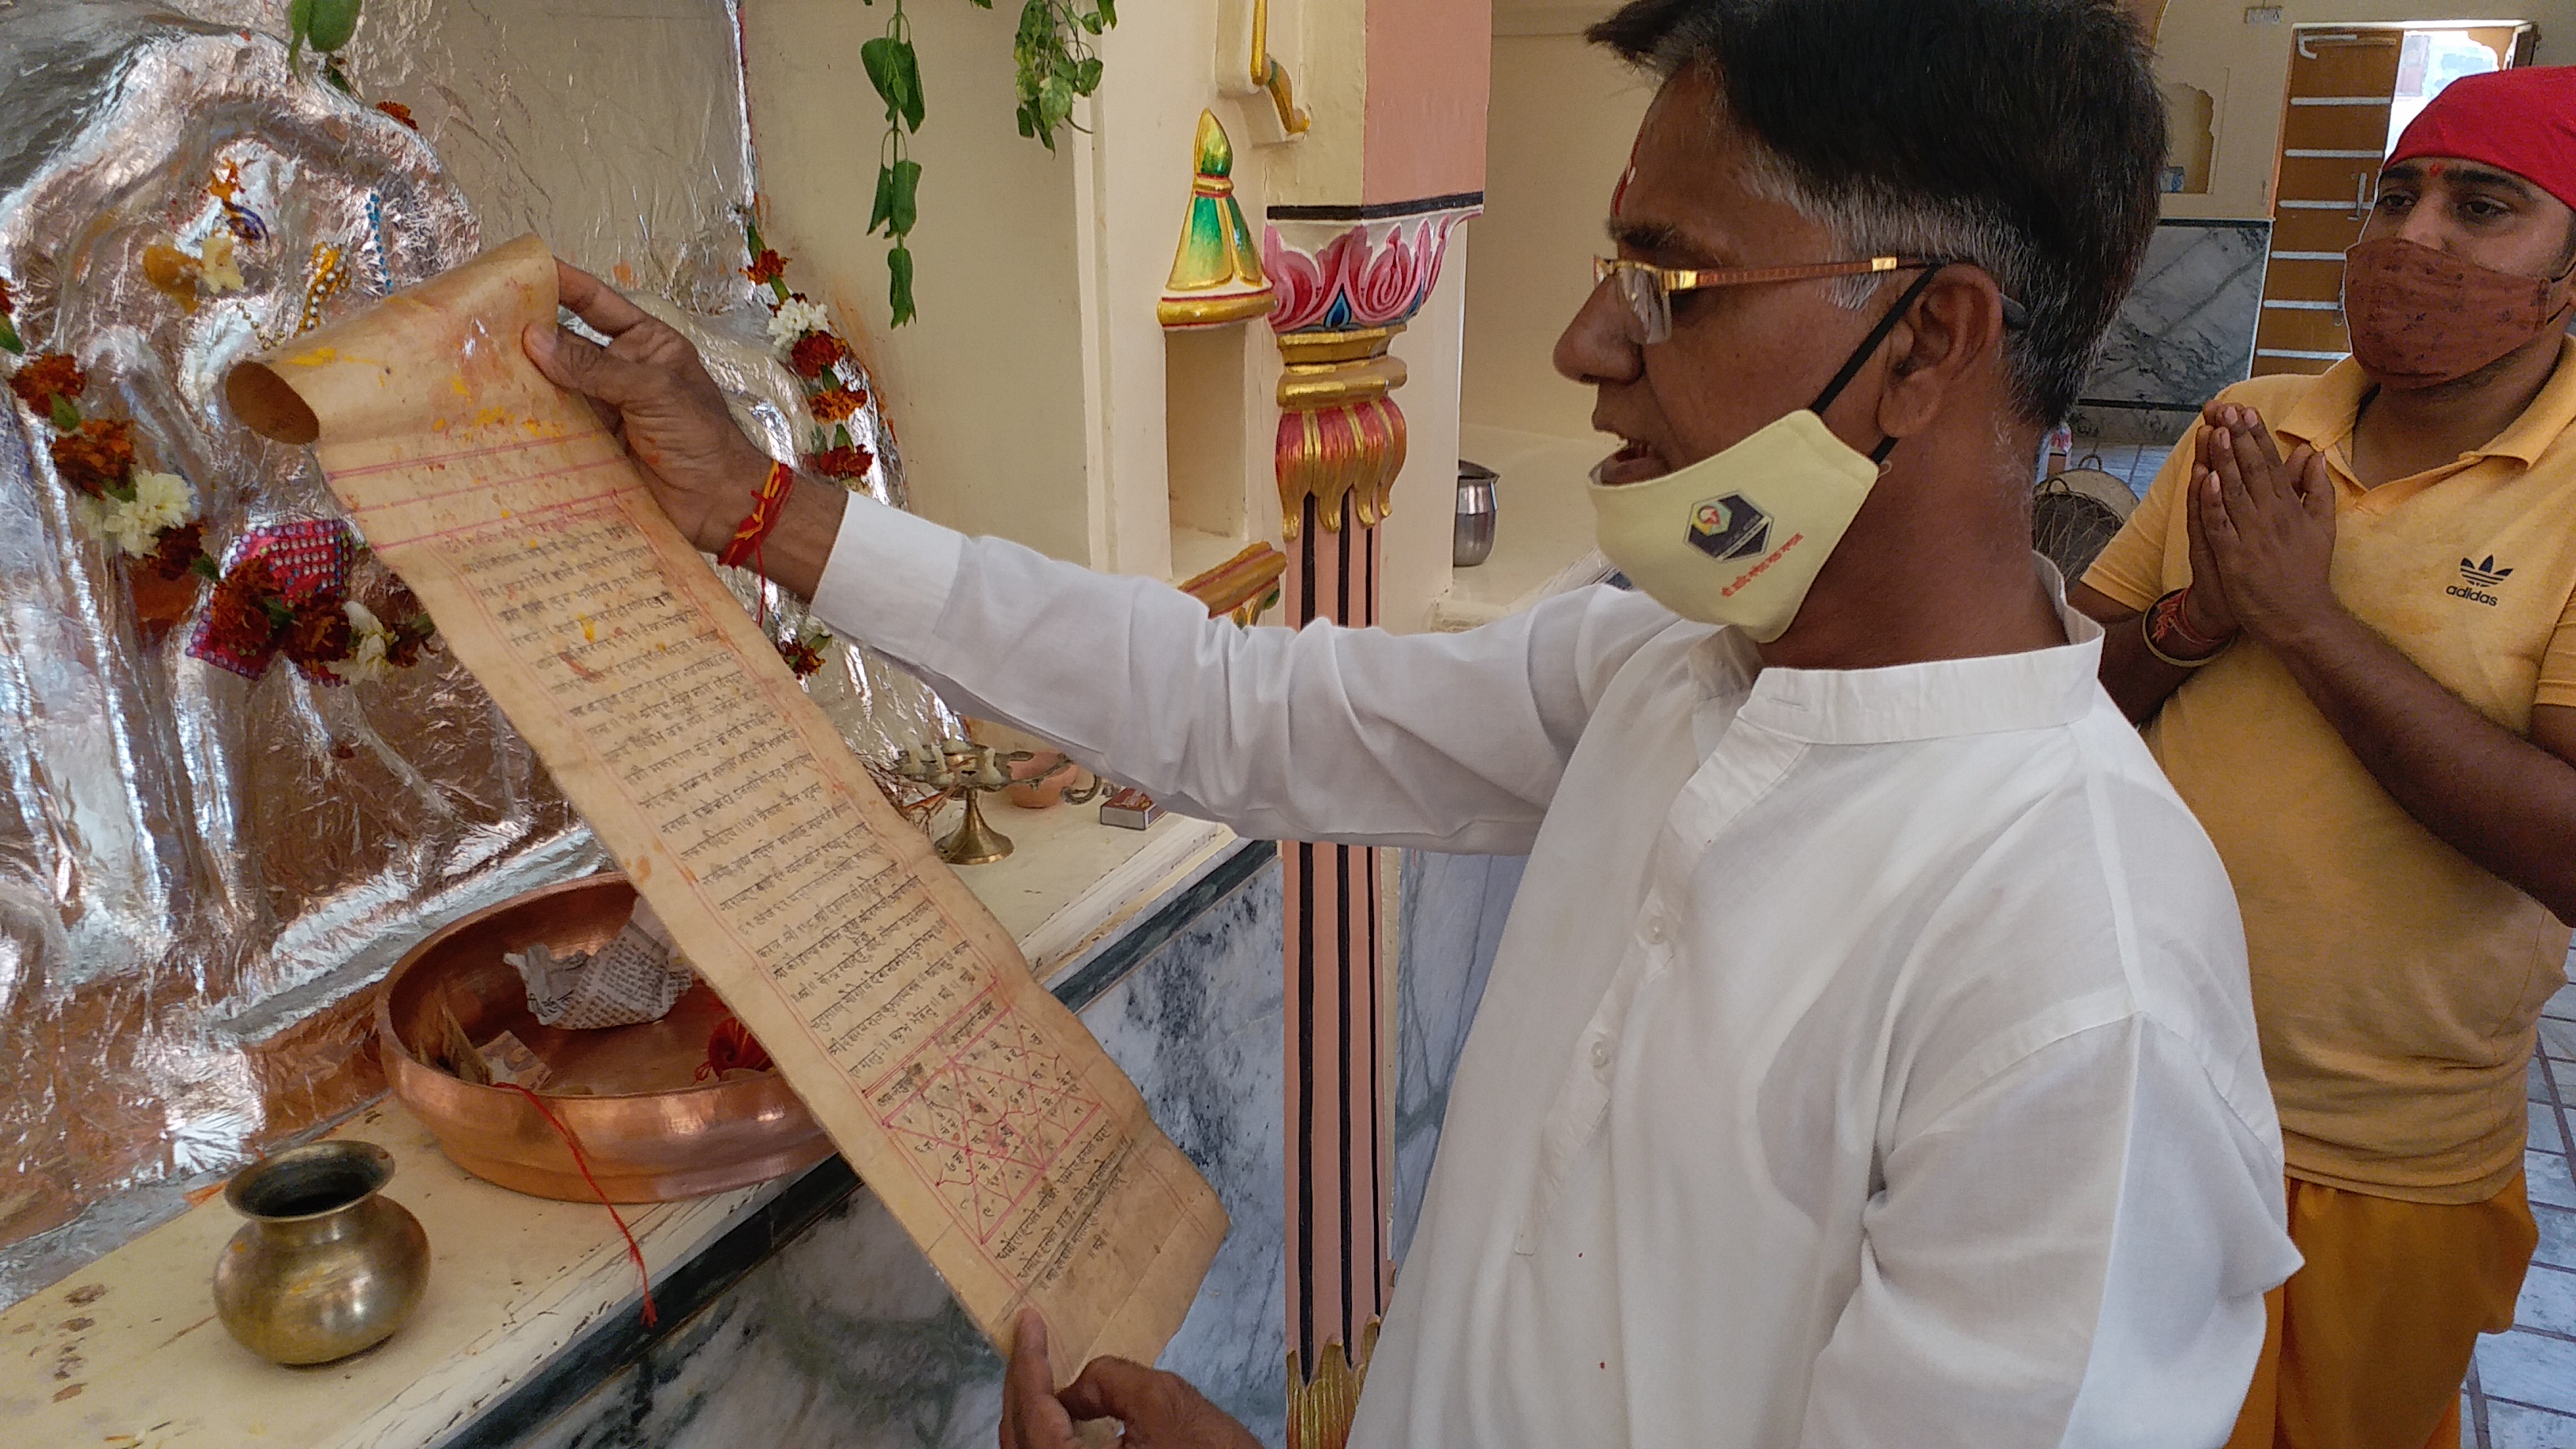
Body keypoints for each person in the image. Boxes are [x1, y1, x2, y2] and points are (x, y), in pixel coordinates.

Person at [530, 1, 2298, 1443]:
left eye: (1669, 284)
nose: (1585, 345)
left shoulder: (2076, 989)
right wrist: (773, 511)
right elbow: (1239, 705)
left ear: (1927, 346)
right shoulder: (1661, 675)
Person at [2072, 64, 2576, 1449]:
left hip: (2383, 1157)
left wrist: (2304, 625)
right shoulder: (2251, 426)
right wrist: (2197, 621)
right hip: (2145, 1095)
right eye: (2397, 195)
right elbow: (2074, 705)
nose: (2416, 239)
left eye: (2485, 209)